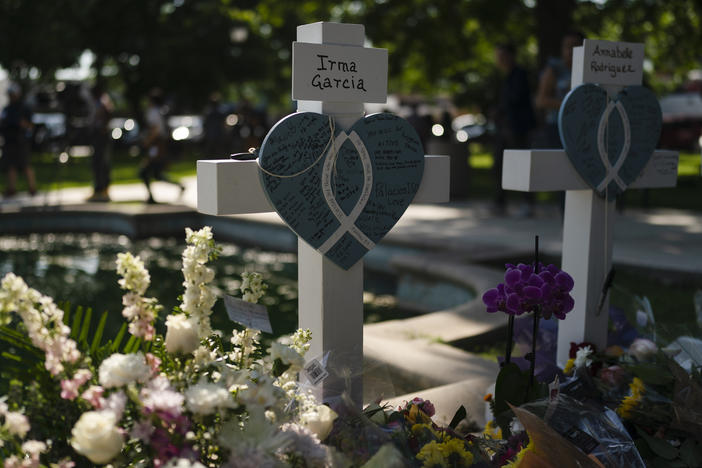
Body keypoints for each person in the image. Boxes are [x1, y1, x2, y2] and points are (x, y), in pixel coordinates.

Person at [492, 43, 536, 215]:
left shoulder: (519, 75)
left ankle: (526, 202)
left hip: (517, 128)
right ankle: (500, 201)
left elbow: (515, 100)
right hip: (507, 127)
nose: (500, 60)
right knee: (500, 164)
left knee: (519, 164)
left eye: (503, 56)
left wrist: (501, 109)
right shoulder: (507, 77)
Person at [533, 31, 585, 148]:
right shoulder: (554, 69)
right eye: (567, 46)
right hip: (556, 127)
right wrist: (571, 104)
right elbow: (540, 101)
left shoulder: (590, 70)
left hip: (582, 126)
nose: (571, 51)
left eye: (576, 46)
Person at [139, 89, 184, 204]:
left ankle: (151, 197)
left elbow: (155, 129)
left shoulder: (153, 112)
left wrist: (147, 143)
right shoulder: (161, 111)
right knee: (156, 174)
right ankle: (179, 186)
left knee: (144, 172)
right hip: (160, 145)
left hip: (156, 146)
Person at [0, 83, 36, 198]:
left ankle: (32, 188)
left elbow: (30, 125)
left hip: (21, 141)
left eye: (13, 94)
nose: (11, 97)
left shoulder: (24, 108)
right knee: (11, 166)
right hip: (9, 141)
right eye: (10, 95)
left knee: (25, 165)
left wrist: (22, 124)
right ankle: (11, 189)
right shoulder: (6, 109)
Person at [86, 85, 113, 202]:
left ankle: (102, 189)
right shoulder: (102, 101)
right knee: (99, 162)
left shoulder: (101, 102)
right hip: (99, 135)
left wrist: (102, 127)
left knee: (100, 163)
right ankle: (99, 189)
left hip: (101, 135)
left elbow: (107, 114)